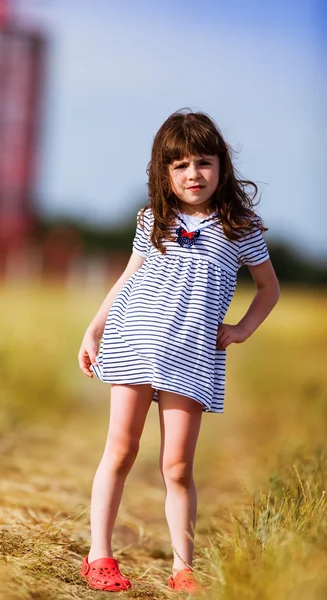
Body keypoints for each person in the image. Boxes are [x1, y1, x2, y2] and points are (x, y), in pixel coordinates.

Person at [77, 110, 280, 595]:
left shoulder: (240, 226)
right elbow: (128, 279)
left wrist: (242, 328)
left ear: (221, 167)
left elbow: (268, 289)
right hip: (134, 341)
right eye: (181, 165)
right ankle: (99, 555)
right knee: (121, 450)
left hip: (192, 355)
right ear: (164, 172)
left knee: (177, 467)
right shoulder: (153, 219)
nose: (193, 175)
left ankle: (183, 567)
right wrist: (94, 330)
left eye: (204, 163)